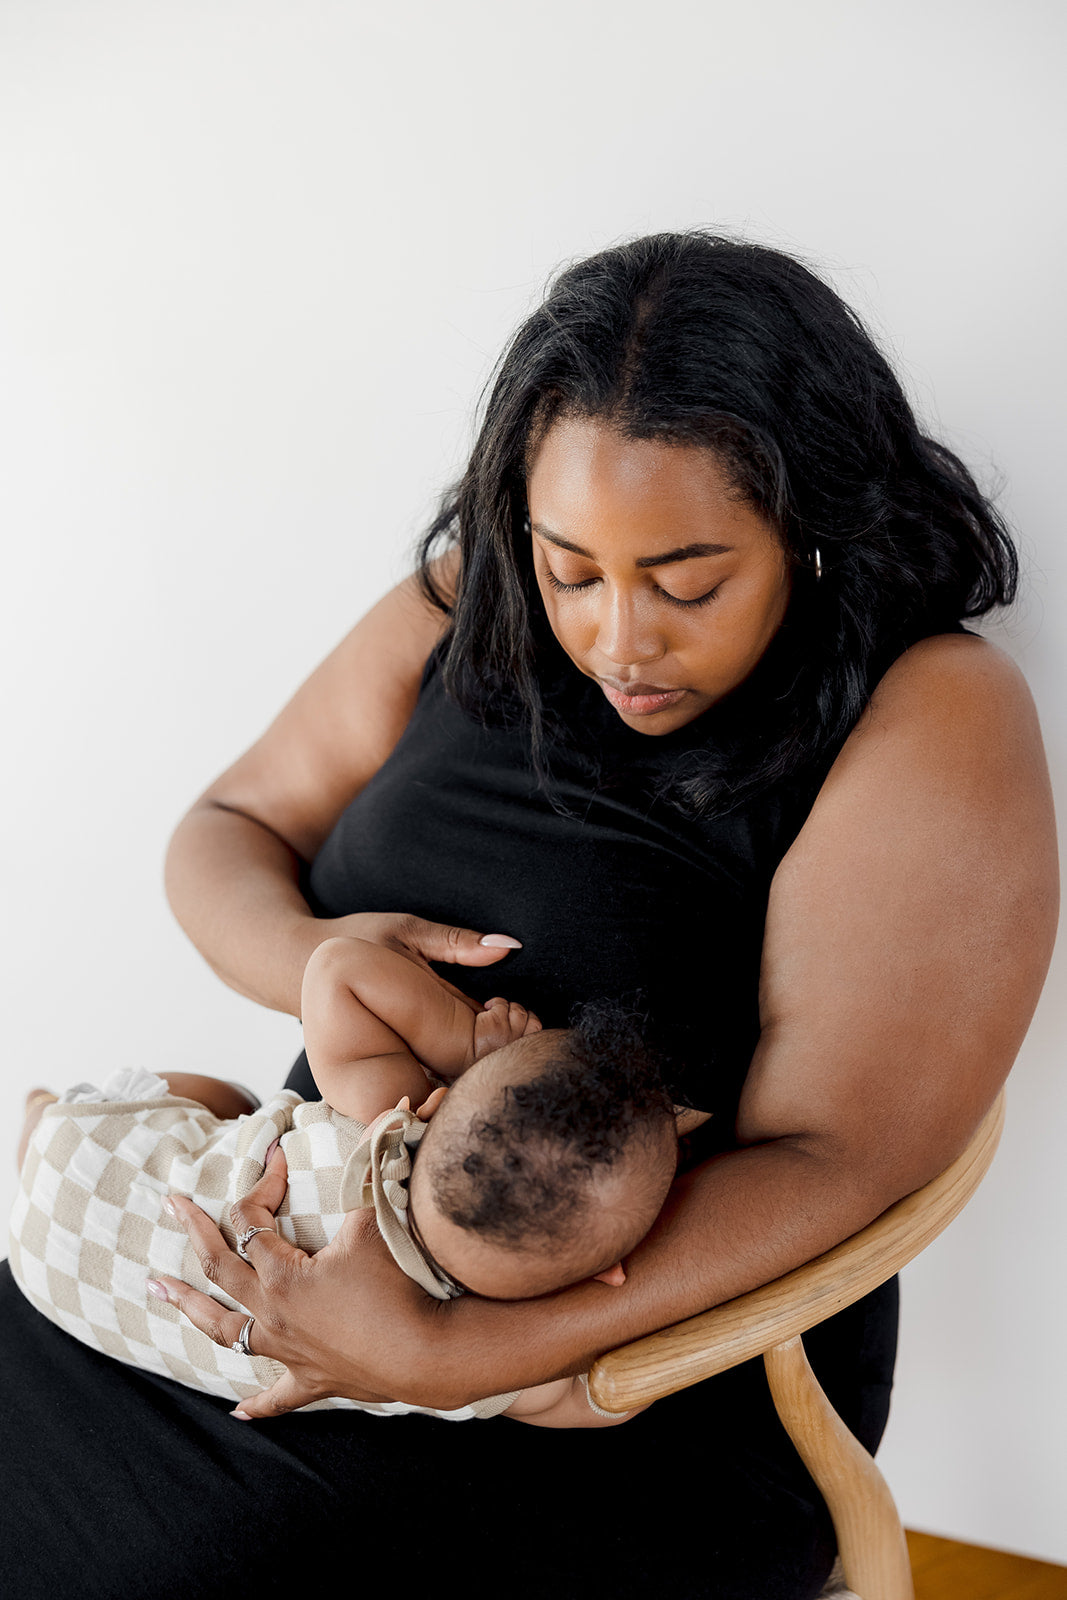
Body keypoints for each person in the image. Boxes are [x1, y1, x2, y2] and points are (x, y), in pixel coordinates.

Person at [1, 232, 1055, 1600]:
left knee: (197, 1565)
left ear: (807, 524)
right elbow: (227, 832)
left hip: (631, 1385)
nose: (619, 638)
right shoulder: (464, 605)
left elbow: (839, 1160)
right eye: (571, 570)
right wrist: (324, 966)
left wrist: (446, 1356)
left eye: (684, 581)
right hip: (314, 1237)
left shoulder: (925, 712)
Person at [10, 937, 681, 1425]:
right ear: (610, 1274)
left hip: (80, 1166)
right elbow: (592, 1401)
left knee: (223, 1098)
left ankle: (35, 1111)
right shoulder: (471, 1374)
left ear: (439, 1104)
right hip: (63, 1293)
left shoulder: (377, 1121)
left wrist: (465, 1044)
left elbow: (336, 969)